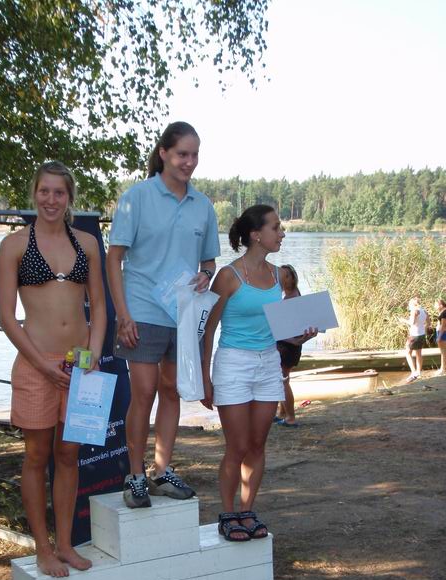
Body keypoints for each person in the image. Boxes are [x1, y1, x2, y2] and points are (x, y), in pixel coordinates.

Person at [0, 161, 106, 577]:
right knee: (36, 456)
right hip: (35, 363)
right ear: (34, 193)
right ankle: (42, 549)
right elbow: (7, 317)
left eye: (59, 192)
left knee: (69, 455)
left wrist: (93, 354)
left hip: (79, 366)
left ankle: (65, 544)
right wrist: (41, 364)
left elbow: (99, 307)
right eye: (44, 191)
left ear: (69, 197)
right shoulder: (13, 246)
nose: (51, 199)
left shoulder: (87, 244)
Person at [106, 121, 220, 509]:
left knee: (171, 391)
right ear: (164, 154)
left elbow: (209, 262)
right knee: (144, 392)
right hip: (142, 309)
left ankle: (161, 470)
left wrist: (206, 275)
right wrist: (123, 315)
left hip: (182, 313)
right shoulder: (137, 197)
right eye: (182, 154)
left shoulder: (202, 206)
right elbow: (114, 259)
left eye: (194, 155)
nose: (189, 162)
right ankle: (135, 476)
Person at [202, 205, 315, 542]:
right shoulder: (228, 276)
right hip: (233, 363)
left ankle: (247, 511)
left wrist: (302, 335)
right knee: (236, 446)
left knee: (257, 445)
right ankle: (228, 514)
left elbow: (281, 329)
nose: (282, 233)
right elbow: (208, 329)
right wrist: (204, 378)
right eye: (276, 227)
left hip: (268, 363)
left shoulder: (279, 276)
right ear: (256, 235)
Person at [274, 264, 314, 428]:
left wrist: (294, 341)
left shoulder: (291, 299)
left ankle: (290, 417)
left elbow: (286, 329)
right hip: (290, 344)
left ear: (293, 278)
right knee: (284, 378)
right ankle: (282, 413)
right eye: (281, 276)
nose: (283, 279)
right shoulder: (293, 295)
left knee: (283, 380)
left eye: (287, 276)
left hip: (287, 346)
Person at [401, 297, 428, 383]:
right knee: (418, 354)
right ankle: (418, 373)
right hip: (422, 334)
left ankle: (413, 372)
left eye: (409, 304)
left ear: (413, 304)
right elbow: (429, 323)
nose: (409, 306)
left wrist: (403, 320)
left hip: (414, 335)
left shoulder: (414, 311)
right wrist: (423, 329)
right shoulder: (424, 311)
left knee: (407, 352)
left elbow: (412, 323)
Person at [436, 298, 446, 375]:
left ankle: (443, 369)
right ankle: (443, 368)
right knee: (443, 352)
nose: (435, 306)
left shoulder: (444, 313)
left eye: (436, 305)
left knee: (443, 352)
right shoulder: (442, 312)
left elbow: (443, 326)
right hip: (441, 333)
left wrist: (439, 337)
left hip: (443, 333)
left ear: (441, 305)